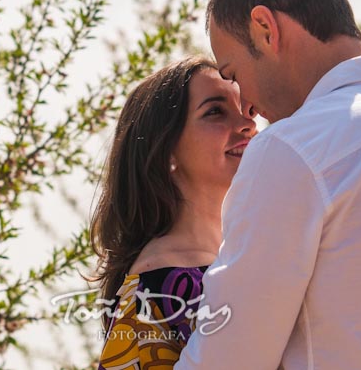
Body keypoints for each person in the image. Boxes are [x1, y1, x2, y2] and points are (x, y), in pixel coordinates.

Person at [174, 0, 361, 370]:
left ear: (265, 28)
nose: (246, 108)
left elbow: (227, 360)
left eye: (234, 74)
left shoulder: (292, 150)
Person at [90, 54, 257, 369]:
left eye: (246, 108)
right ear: (165, 150)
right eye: (215, 112)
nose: (247, 124)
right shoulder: (153, 288)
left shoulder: (255, 248)